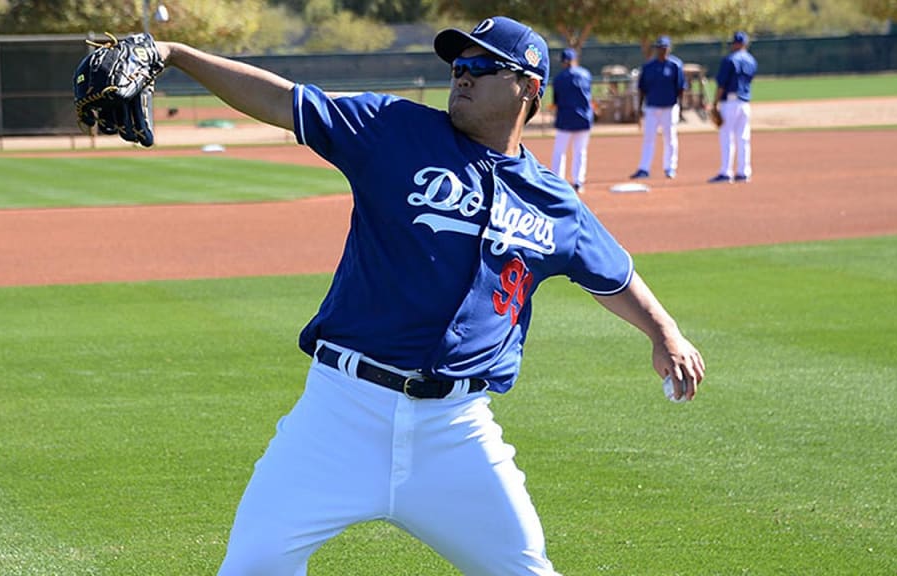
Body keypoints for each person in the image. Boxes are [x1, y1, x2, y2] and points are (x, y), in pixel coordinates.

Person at [154, 15, 705, 576]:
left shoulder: (554, 203)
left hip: (456, 431)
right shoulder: (393, 130)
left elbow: (612, 274)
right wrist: (177, 54)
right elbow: (285, 102)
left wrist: (665, 332)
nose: (461, 76)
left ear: (529, 87)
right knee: (253, 565)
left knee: (526, 570)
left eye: (482, 66)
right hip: (339, 414)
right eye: (458, 66)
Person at [630, 35, 686, 180]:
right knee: (649, 138)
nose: (661, 50)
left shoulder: (675, 65)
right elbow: (642, 88)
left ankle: (670, 168)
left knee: (670, 138)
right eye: (659, 47)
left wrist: (681, 108)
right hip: (652, 107)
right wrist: (639, 109)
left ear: (669, 48)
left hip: (669, 106)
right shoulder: (648, 66)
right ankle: (644, 168)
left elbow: (680, 88)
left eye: (664, 47)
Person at [708, 31, 758, 184]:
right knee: (743, 137)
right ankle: (744, 171)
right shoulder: (751, 60)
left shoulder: (730, 60)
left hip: (729, 102)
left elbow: (722, 84)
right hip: (744, 102)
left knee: (727, 137)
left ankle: (726, 172)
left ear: (735, 44)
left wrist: (715, 103)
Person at [550, 47, 594, 193]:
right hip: (583, 118)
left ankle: (557, 182)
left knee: (559, 152)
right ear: (574, 60)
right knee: (580, 152)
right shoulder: (586, 74)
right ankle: (578, 182)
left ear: (563, 62)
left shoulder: (559, 78)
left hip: (565, 119)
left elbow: (555, 101)